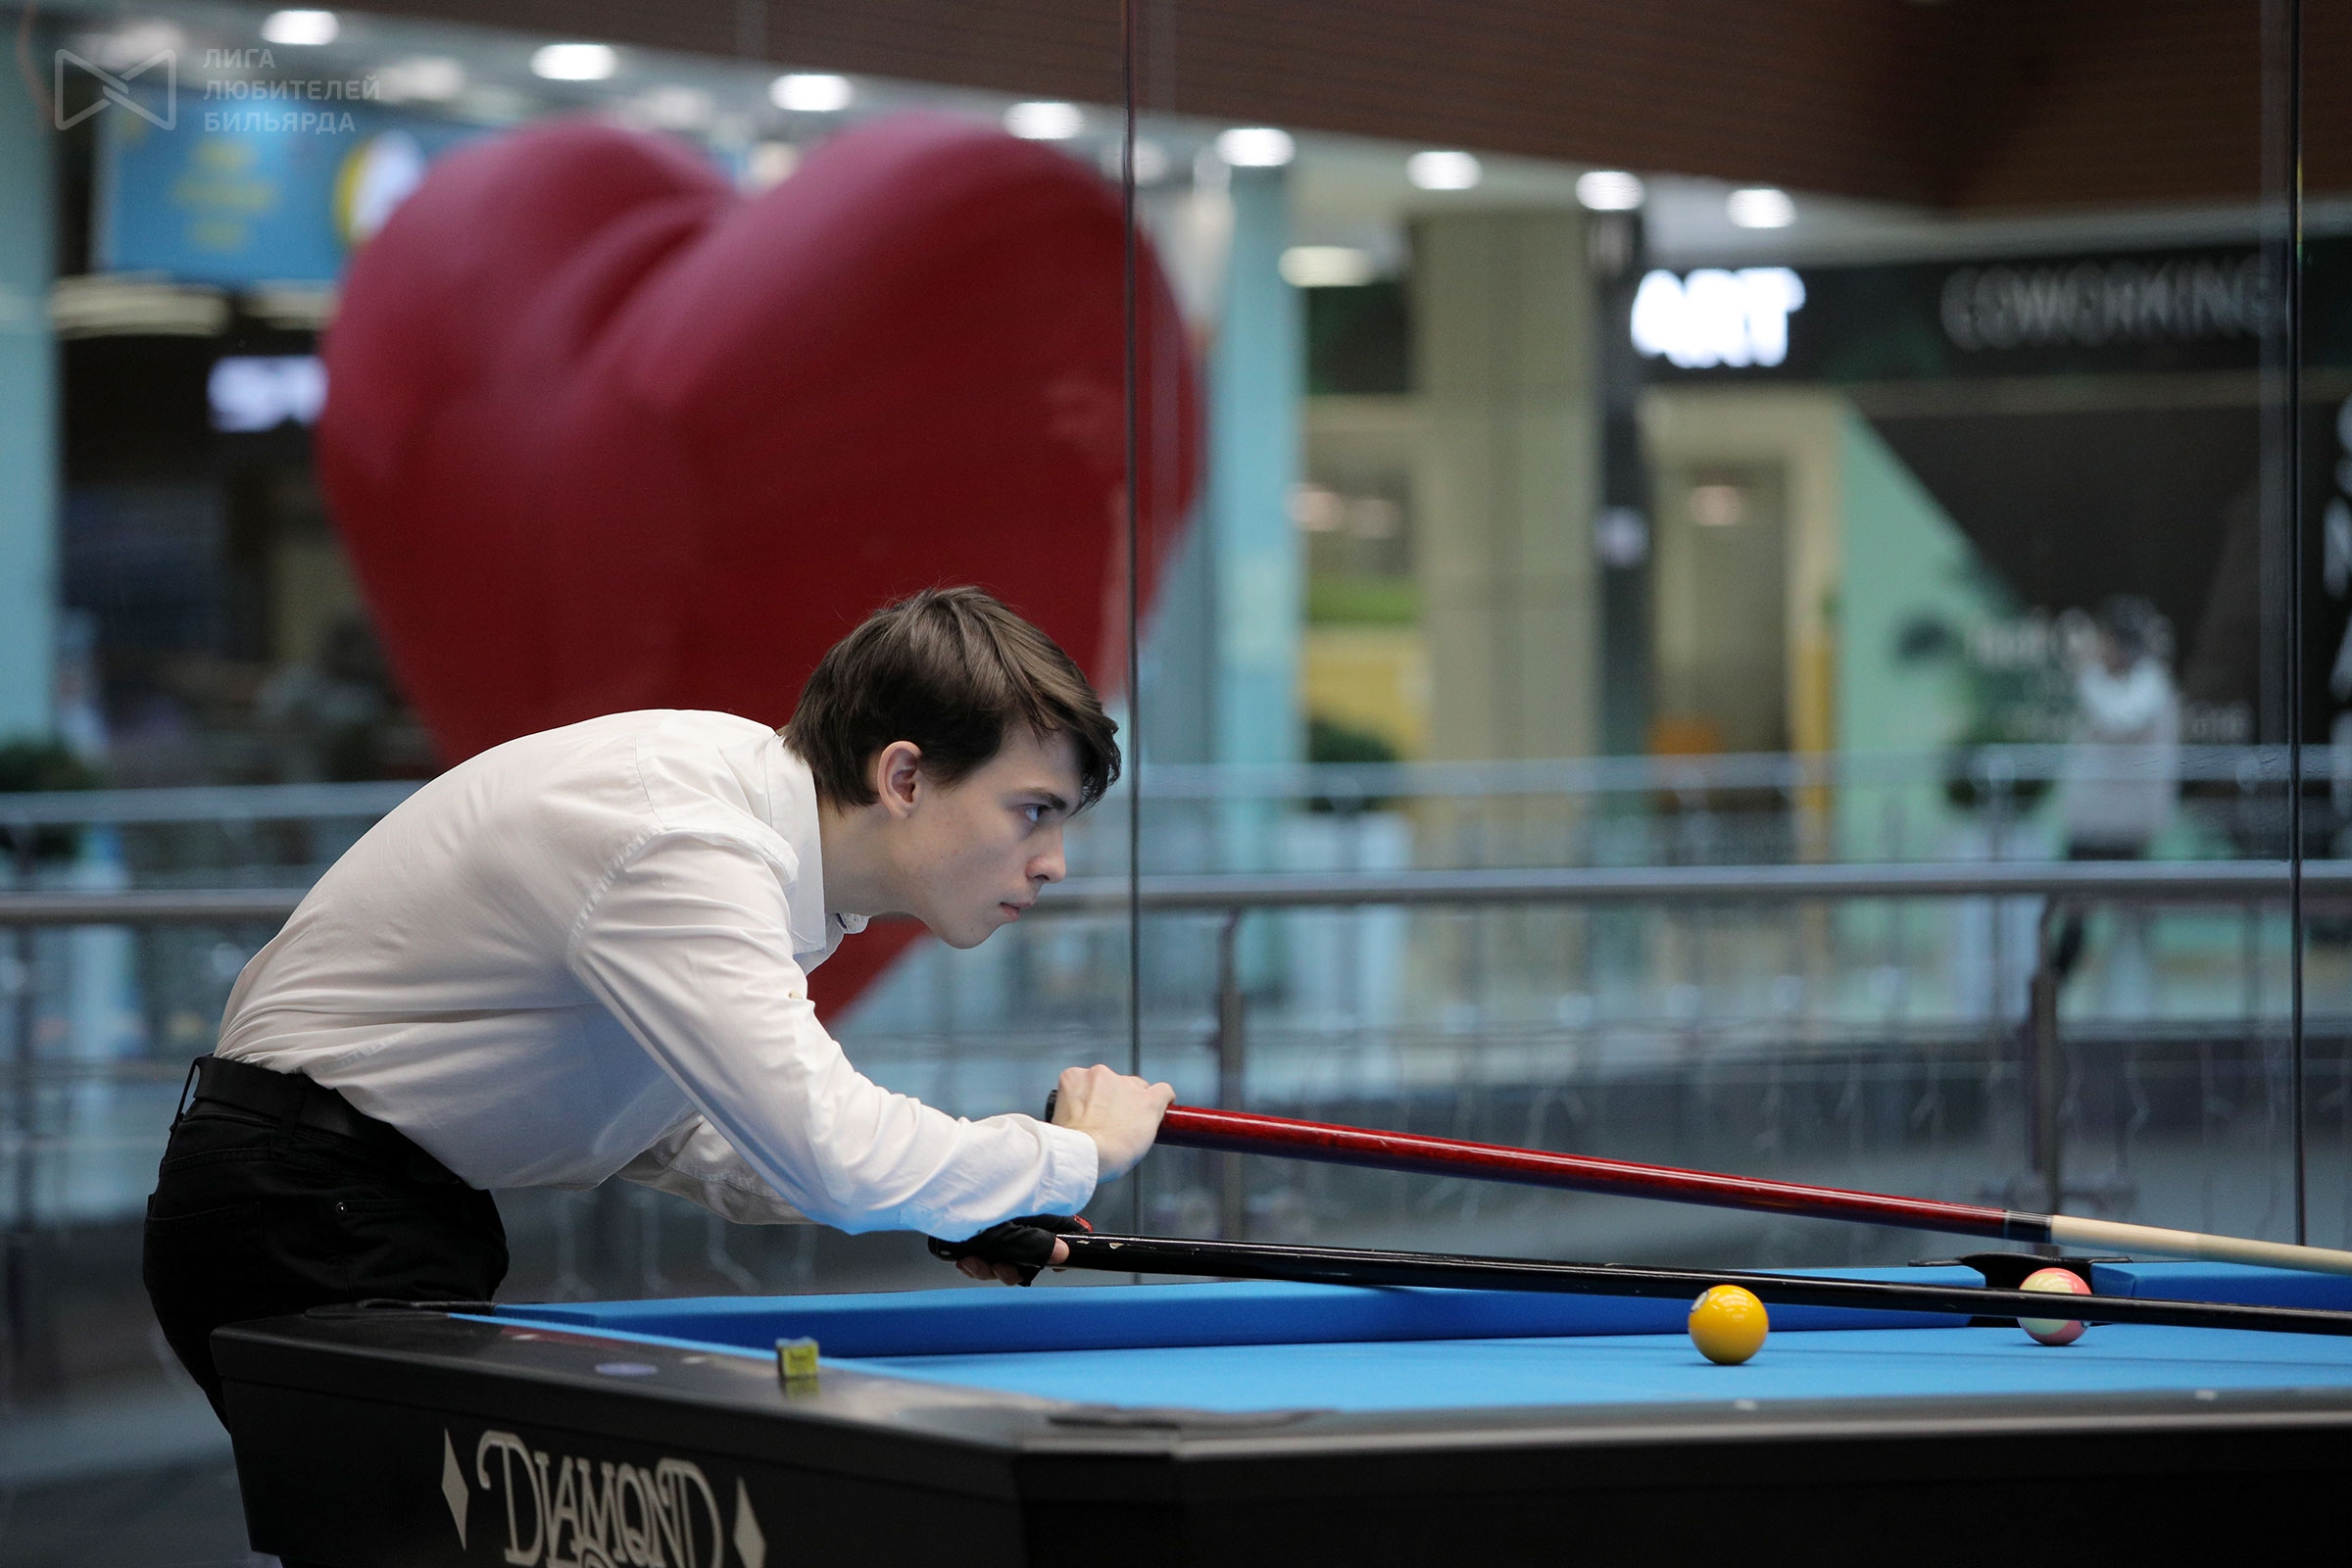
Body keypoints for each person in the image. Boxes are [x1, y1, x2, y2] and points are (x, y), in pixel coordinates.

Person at [144, 587, 1175, 1417]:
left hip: (341, 1198)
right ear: (903, 777)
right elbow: (831, 1152)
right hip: (303, 1203)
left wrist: (965, 1204)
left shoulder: (738, 834)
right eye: (1032, 811)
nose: (1054, 861)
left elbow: (692, 1131)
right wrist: (1074, 1153)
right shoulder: (689, 842)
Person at [2050, 595, 2181, 1004]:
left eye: (2103, 641)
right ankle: (2050, 1006)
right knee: (2079, 921)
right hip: (2097, 827)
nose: (2097, 650)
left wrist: (2087, 674)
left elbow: (2119, 720)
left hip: (2119, 830)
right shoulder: (2128, 684)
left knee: (2119, 925)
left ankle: (2118, 1006)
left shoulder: (2149, 684)